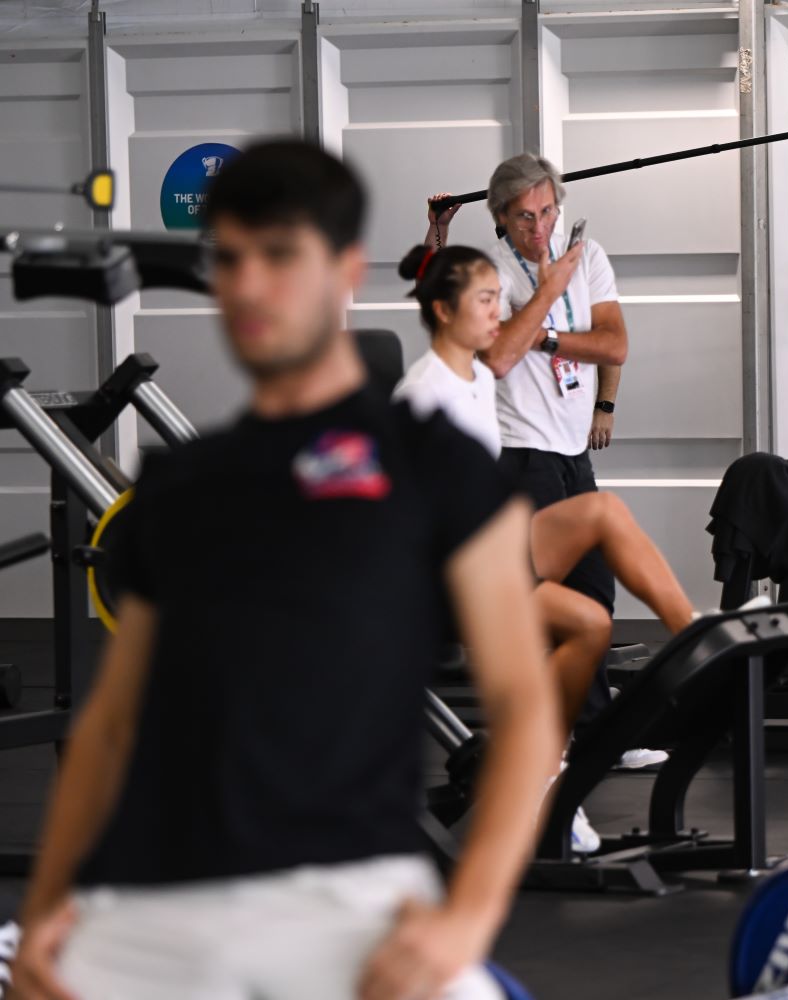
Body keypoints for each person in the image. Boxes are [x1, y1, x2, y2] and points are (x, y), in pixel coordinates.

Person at [13, 140, 558, 1000]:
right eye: (229, 260)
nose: (250, 286)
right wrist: (49, 911)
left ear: (344, 271)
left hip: (351, 904)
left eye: (279, 256)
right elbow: (114, 726)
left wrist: (464, 921)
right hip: (163, 903)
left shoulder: (433, 463)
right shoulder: (184, 485)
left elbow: (527, 707)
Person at [389, 242, 702, 851]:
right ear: (445, 312)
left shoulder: (476, 376)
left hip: (490, 551)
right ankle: (541, 773)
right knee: (583, 622)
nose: (495, 310)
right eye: (484, 300)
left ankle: (690, 641)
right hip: (447, 575)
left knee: (602, 522)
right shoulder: (422, 393)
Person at [423, 158, 655, 768]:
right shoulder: (487, 272)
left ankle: (594, 735)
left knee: (595, 595)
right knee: (544, 603)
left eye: (548, 212)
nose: (539, 227)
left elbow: (615, 344)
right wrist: (543, 300)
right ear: (501, 218)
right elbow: (499, 355)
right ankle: (542, 738)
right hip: (518, 453)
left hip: (571, 453)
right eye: (525, 217)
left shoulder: (588, 256)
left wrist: (554, 345)